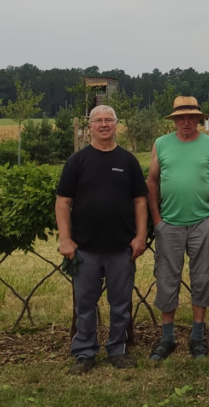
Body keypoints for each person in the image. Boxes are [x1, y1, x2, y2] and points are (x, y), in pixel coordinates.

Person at [55, 105, 148, 375]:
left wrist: (140, 237)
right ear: (90, 127)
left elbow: (140, 201)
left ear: (117, 125)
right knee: (84, 304)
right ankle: (84, 352)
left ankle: (117, 349)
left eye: (109, 120)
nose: (104, 124)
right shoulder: (77, 161)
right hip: (85, 249)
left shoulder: (128, 160)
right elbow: (63, 202)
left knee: (121, 303)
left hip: (121, 248)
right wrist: (65, 239)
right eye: (98, 120)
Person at [147, 96, 209, 361]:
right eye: (182, 117)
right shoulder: (161, 144)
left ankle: (197, 336)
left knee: (202, 278)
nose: (187, 122)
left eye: (192, 117)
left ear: (199, 120)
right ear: (175, 120)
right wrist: (157, 219)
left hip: (203, 223)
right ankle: (167, 337)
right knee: (167, 279)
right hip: (169, 225)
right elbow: (152, 182)